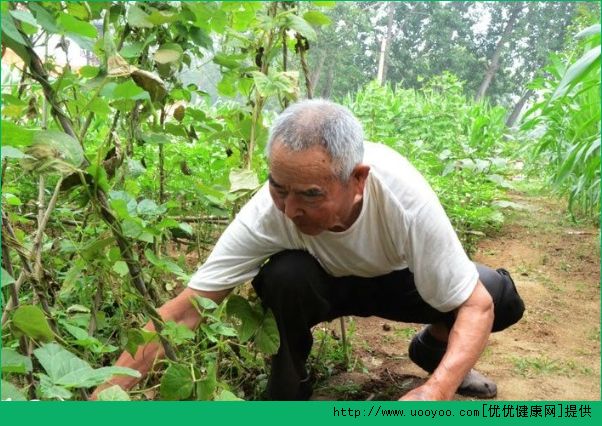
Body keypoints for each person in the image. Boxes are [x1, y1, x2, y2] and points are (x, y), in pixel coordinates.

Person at [92, 99, 524, 401]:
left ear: (357, 180)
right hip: (321, 287)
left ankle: (432, 349)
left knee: (495, 297)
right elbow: (187, 309)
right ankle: (289, 385)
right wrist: (106, 393)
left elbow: (475, 305)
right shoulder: (269, 211)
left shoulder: (404, 198)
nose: (291, 209)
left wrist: (437, 388)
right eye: (279, 188)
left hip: (398, 283)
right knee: (284, 274)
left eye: (311, 194)